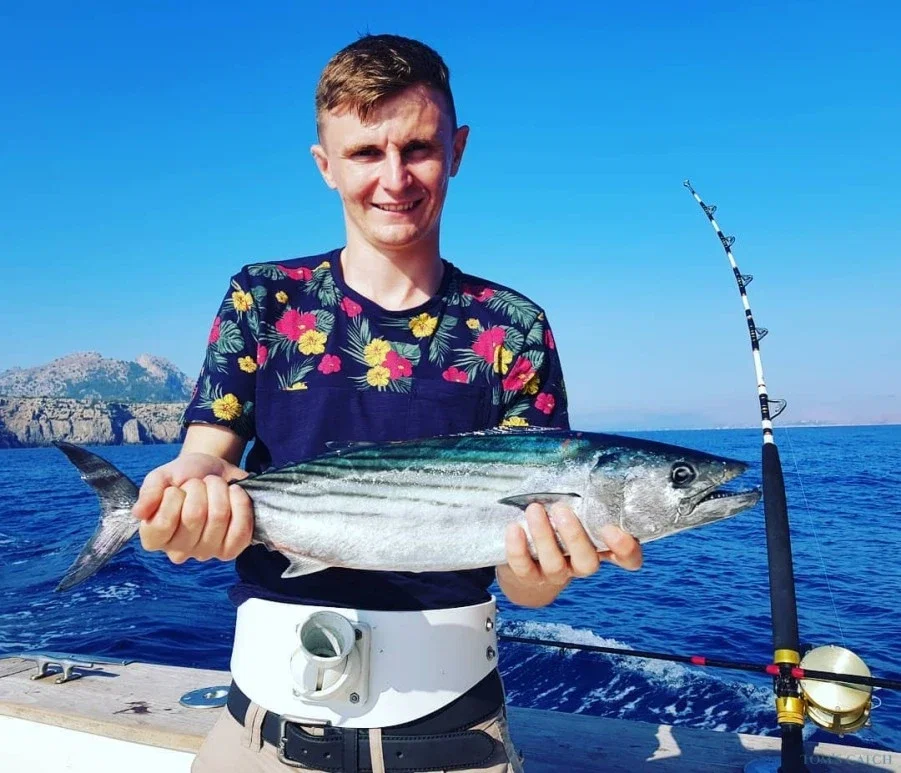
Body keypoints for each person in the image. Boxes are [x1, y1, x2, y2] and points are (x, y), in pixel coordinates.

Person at [132, 34, 643, 772]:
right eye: (367, 152)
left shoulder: (511, 326)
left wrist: (548, 569)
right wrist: (186, 503)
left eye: (419, 148)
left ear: (457, 150)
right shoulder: (263, 297)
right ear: (326, 165)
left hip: (452, 736)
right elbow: (207, 453)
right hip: (262, 732)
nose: (395, 178)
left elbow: (522, 585)